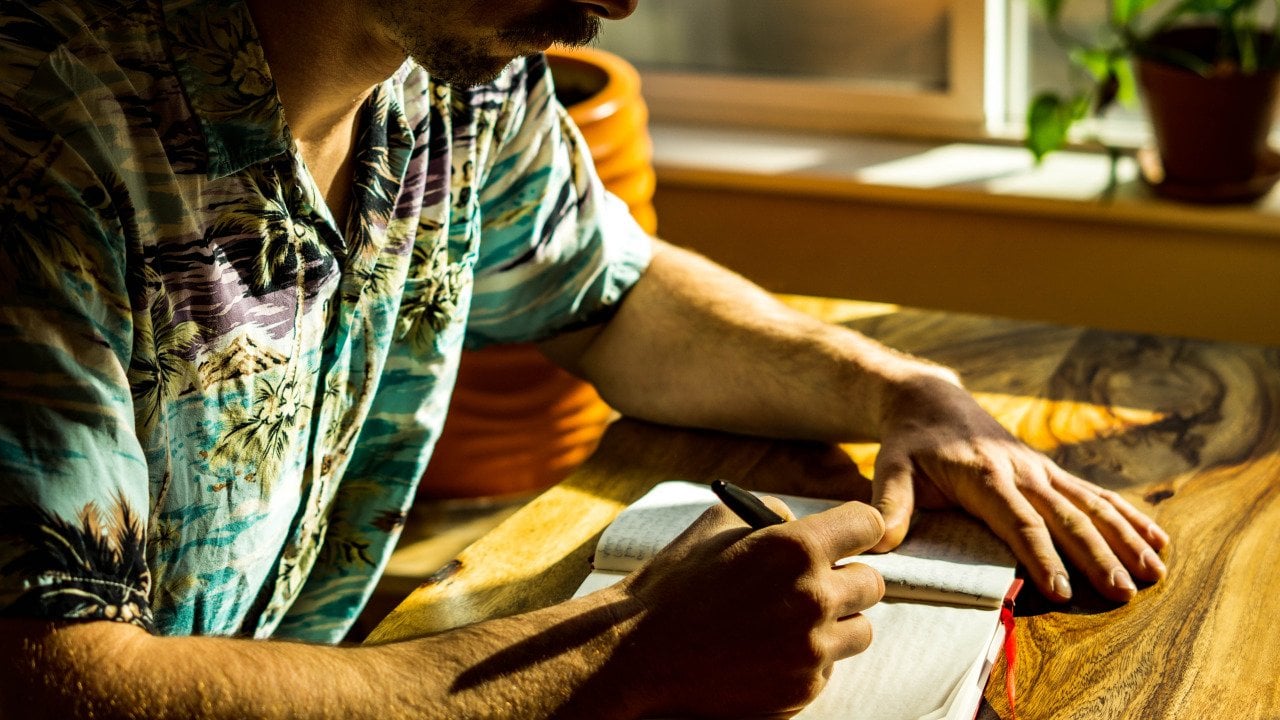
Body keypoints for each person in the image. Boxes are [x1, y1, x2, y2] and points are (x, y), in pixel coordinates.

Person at [0, 0, 1169, 717]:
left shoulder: (449, 75)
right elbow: (51, 684)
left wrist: (901, 391)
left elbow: (613, 301)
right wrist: (611, 659)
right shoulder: (44, 134)